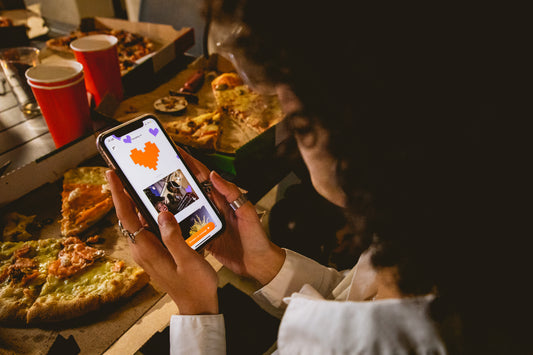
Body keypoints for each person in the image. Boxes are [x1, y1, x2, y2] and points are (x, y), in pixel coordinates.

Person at [107, 0, 529, 353]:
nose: (287, 118)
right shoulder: (437, 225)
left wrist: (196, 312)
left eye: (294, 108)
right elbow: (355, 299)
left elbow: (353, 330)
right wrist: (268, 265)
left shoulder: (344, 345)